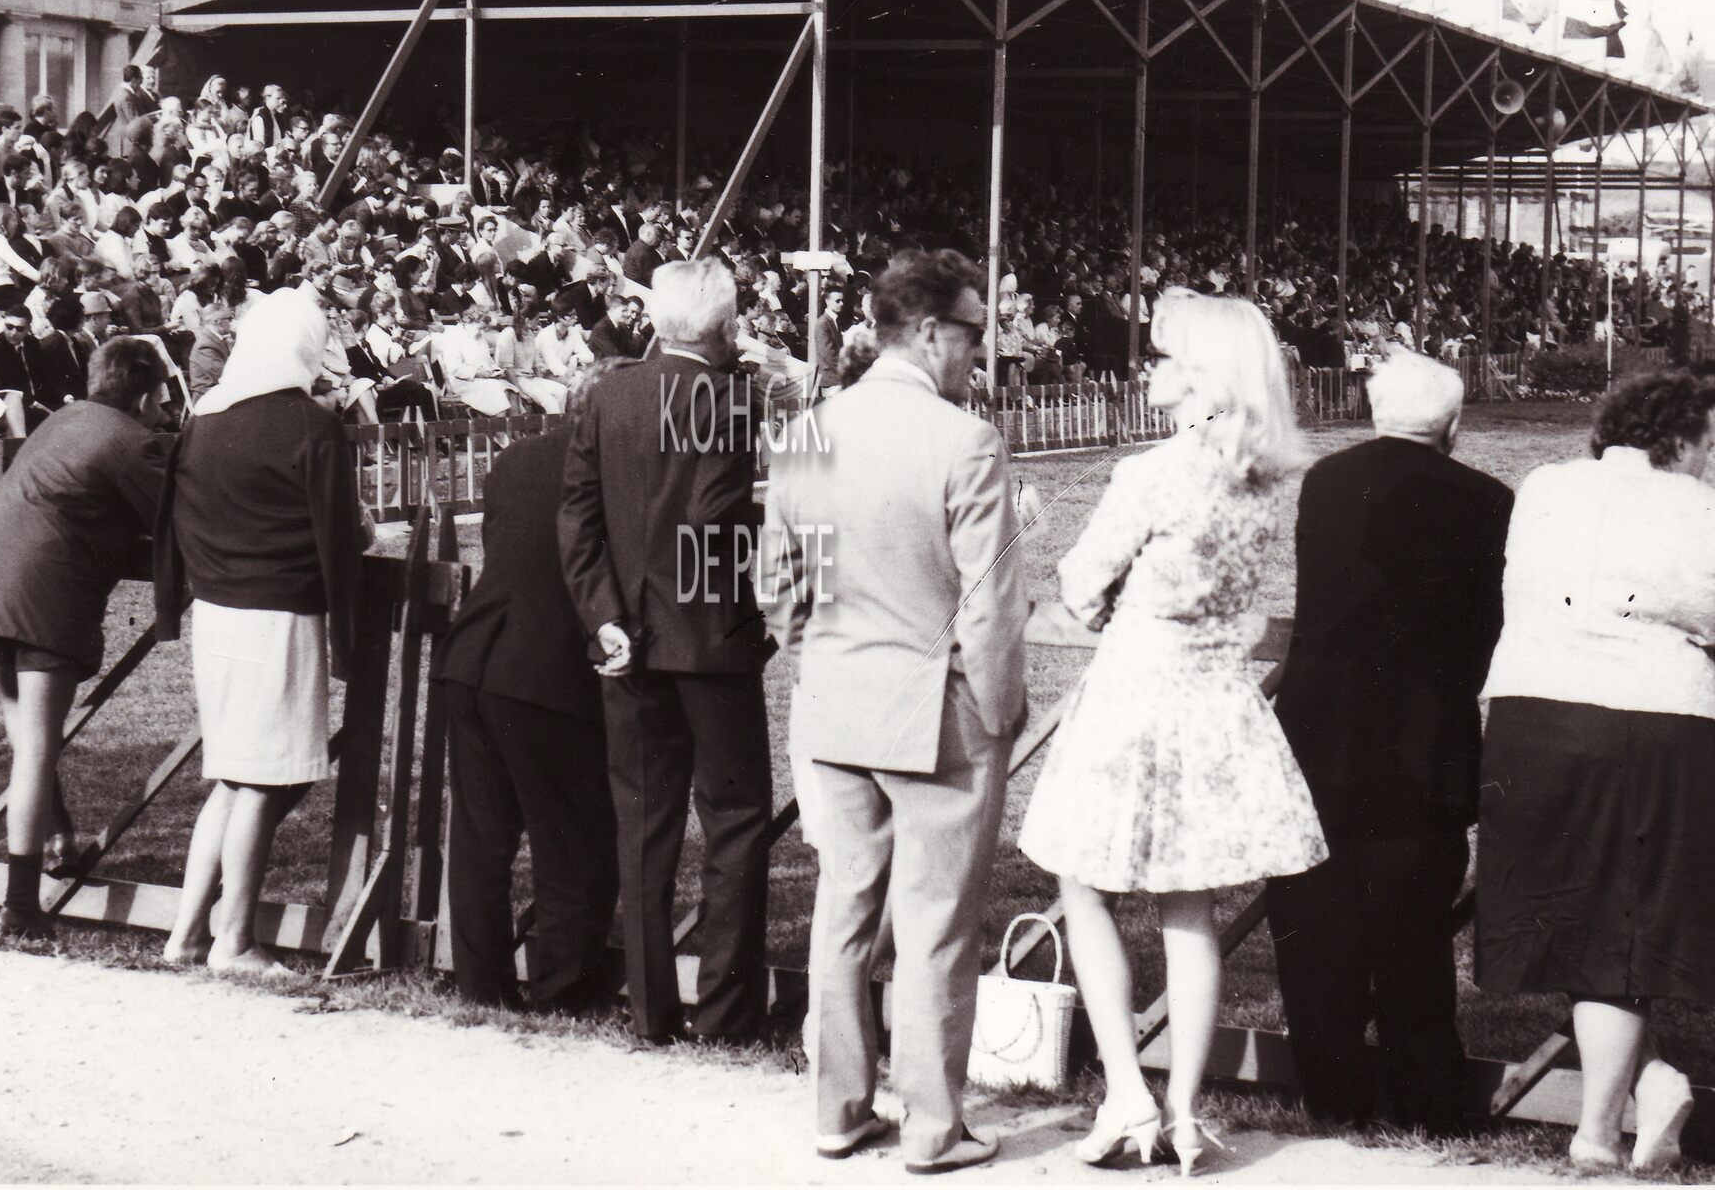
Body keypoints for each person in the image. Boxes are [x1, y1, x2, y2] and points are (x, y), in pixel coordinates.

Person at [1017, 289, 1326, 1177]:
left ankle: (1127, 1091)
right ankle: (1185, 1107)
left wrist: (1111, 591)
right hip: (1217, 702)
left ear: (1198, 376)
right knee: (1189, 904)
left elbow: (1081, 586)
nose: (1149, 369)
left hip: (1135, 695)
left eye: (1163, 357)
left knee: (1084, 884)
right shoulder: (1261, 478)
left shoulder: (1151, 473)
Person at [763, 248, 1027, 1173]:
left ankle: (837, 1109)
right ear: (927, 331)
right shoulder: (966, 441)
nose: (979, 352)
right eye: (972, 334)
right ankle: (931, 1127)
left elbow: (777, 585)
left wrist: (820, 662)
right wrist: (1000, 712)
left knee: (842, 913)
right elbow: (990, 606)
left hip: (835, 707)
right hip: (937, 713)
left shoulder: (810, 430)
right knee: (935, 925)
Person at [1264, 348, 1512, 1134]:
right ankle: (1427, 1095)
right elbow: (1484, 626)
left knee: (1315, 918)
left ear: (1374, 412)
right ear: (1453, 423)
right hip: (1423, 735)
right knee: (1414, 927)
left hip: (1320, 727)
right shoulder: (1487, 499)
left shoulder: (1327, 481)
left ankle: (1332, 1093)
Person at [1476, 371, 1715, 1173]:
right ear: (1677, 439)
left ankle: (1649, 1084)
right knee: (1624, 920)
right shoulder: (1698, 508)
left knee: (1580, 914)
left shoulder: (1544, 486)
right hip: (1653, 715)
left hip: (1533, 714)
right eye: (1708, 446)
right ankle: (1600, 1128)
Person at [558, 257, 772, 1045]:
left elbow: (577, 516)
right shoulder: (731, 399)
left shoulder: (608, 395)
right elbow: (716, 516)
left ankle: (652, 1010)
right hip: (709, 638)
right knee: (735, 821)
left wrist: (605, 614)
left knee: (644, 824)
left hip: (629, 639)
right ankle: (726, 1012)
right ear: (724, 327)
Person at [156, 289, 369, 976]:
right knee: (262, 783)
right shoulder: (311, 425)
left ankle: (188, 933)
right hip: (279, 615)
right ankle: (235, 940)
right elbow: (342, 534)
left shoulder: (204, 417)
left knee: (233, 776)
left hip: (217, 613)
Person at [0, 337, 169, 941]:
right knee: (36, 750)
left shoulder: (62, 420)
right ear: (145, 396)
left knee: (25, 733)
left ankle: (57, 841)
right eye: (161, 398)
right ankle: (20, 905)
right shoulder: (132, 438)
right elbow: (174, 516)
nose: (162, 409)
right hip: (45, 597)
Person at [434, 361, 622, 1012]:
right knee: (570, 838)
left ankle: (481, 986)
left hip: (475, 653)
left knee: (480, 840)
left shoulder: (518, 456)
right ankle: (561, 992)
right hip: (545, 667)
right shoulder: (612, 467)